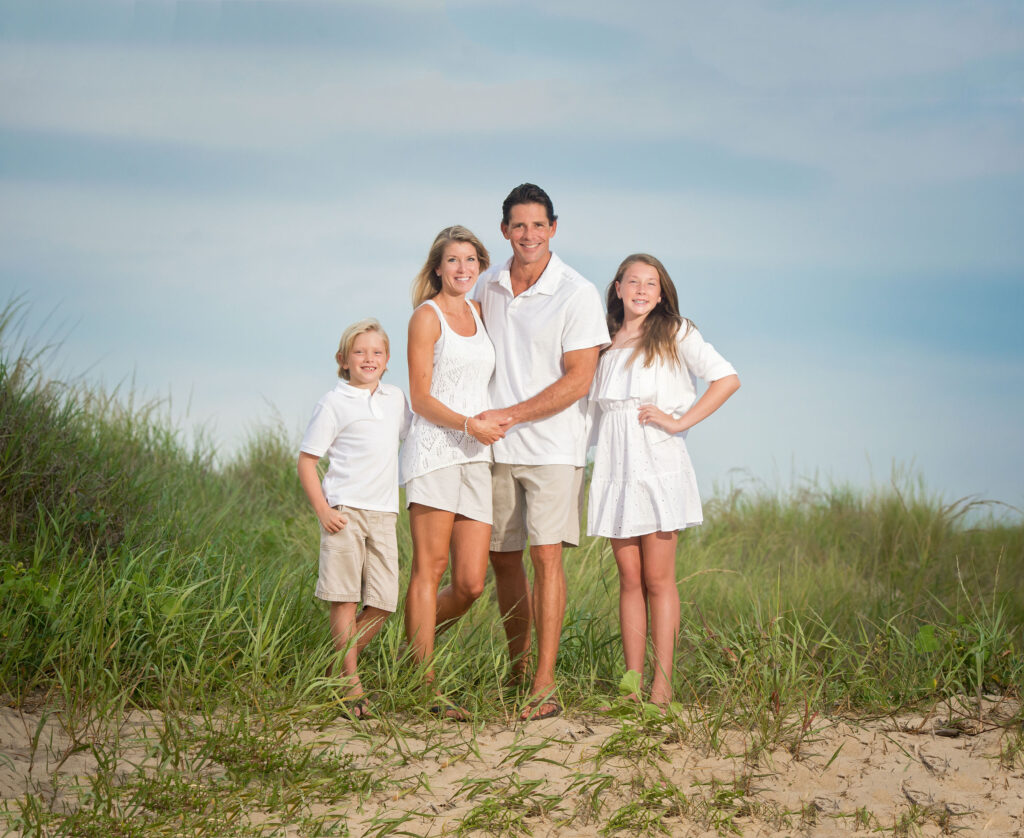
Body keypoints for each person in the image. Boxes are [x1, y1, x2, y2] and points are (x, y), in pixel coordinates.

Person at [475, 183, 610, 720]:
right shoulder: (485, 284)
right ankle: (516, 671)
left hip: (554, 446)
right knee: (501, 559)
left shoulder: (576, 291)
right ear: (504, 230)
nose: (528, 234)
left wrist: (511, 414)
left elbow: (579, 380)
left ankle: (545, 685)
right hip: (493, 447)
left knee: (545, 558)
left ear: (554, 228)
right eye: (518, 225)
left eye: (538, 225)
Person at [587, 254, 740, 707]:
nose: (640, 290)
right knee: (628, 577)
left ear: (661, 292)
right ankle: (631, 684)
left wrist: (678, 422)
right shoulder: (603, 343)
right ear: (617, 288)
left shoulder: (675, 332)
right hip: (616, 466)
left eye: (649, 283)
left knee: (658, 577)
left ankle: (662, 685)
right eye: (632, 281)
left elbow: (726, 379)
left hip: (658, 461)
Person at [400, 226, 505, 718]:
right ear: (437, 268)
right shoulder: (427, 316)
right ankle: (421, 685)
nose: (462, 268)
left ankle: (407, 652)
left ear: (480, 266)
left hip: (475, 458)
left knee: (470, 583)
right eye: (453, 261)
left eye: (470, 260)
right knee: (430, 568)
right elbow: (420, 397)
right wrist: (468, 424)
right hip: (436, 452)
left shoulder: (480, 313)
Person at [297, 319, 411, 720]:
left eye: (376, 352)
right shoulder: (334, 402)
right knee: (344, 596)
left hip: (384, 511)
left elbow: (412, 437)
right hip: (344, 511)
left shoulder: (396, 398)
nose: (369, 359)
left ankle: (332, 669)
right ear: (343, 360)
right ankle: (350, 685)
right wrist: (323, 510)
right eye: (359, 352)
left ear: (388, 359)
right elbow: (307, 461)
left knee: (383, 601)